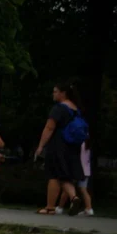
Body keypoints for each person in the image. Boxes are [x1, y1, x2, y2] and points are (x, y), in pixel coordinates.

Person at [34, 83, 86, 216]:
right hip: (72, 147)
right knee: (64, 175)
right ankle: (74, 197)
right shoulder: (76, 109)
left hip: (58, 145)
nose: (53, 94)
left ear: (63, 93)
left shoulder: (59, 108)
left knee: (53, 175)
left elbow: (49, 128)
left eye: (55, 91)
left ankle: (50, 207)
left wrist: (40, 146)